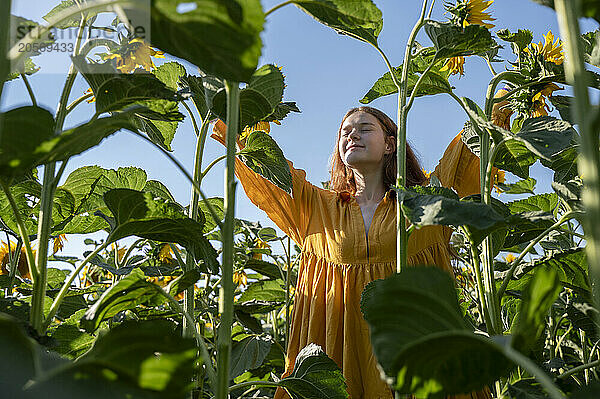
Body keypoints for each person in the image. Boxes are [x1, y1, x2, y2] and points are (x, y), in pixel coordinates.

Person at [212, 99, 510, 398]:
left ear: (390, 145)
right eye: (345, 132)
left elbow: (465, 158)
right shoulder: (315, 206)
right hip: (337, 351)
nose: (352, 136)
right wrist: (235, 111)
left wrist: (502, 106)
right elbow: (267, 171)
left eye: (364, 129)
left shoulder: (425, 200)